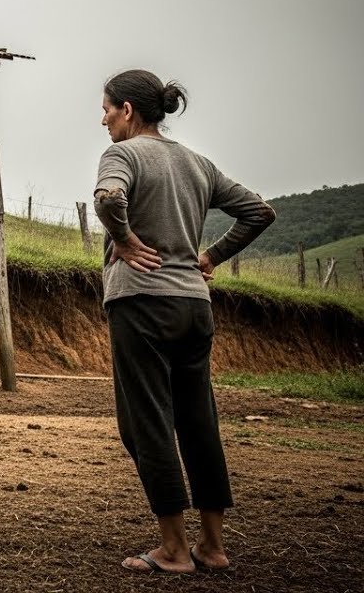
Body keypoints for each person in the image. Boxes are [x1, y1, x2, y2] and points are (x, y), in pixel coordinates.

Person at [92, 69, 275, 574]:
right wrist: (212, 256)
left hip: (141, 304)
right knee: (198, 420)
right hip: (194, 307)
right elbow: (260, 211)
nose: (102, 118)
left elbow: (109, 198)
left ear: (128, 110)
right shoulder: (197, 163)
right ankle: (212, 547)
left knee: (145, 423)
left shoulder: (122, 154)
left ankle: (173, 550)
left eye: (106, 108)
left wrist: (124, 240)